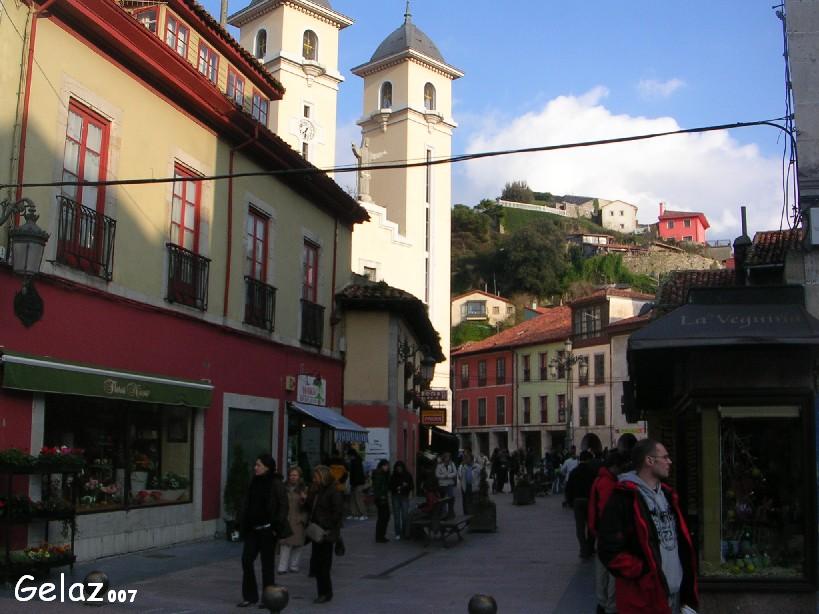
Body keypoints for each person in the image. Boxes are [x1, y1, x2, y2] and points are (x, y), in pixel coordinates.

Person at [598, 439, 699, 614]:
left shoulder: (668, 495)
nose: (670, 462)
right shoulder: (623, 498)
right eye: (665, 457)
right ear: (649, 461)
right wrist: (643, 572)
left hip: (674, 594)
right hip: (643, 597)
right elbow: (608, 549)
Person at [237, 454, 289, 608]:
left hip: (268, 530)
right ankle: (250, 596)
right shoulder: (253, 481)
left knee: (267, 565)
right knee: (246, 560)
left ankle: (268, 598)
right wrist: (240, 521)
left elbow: (283, 505)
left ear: (267, 466)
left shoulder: (275, 483)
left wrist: (276, 527)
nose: (255, 467)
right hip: (252, 530)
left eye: (258, 465)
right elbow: (247, 502)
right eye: (255, 464)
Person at [587, 451, 628, 614]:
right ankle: (610, 606)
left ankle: (602, 603)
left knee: (601, 571)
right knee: (611, 573)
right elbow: (607, 512)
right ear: (615, 466)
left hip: (600, 534)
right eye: (621, 467)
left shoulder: (599, 480)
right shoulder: (608, 483)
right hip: (609, 535)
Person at [306, 465, 343, 605]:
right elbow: (311, 507)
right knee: (317, 563)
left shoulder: (333, 491)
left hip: (326, 532)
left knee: (324, 565)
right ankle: (322, 591)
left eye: (315, 477)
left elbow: (337, 513)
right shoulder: (317, 490)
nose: (313, 479)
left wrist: (327, 526)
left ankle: (325, 593)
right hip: (317, 530)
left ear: (322, 476)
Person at [565, 450, 597, 559]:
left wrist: (569, 501)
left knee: (580, 527)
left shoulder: (574, 472)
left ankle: (583, 550)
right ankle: (590, 548)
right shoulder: (592, 471)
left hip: (577, 501)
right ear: (588, 459)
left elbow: (568, 487)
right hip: (589, 500)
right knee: (591, 525)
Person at [278, 466, 308, 575]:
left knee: (298, 544)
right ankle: (282, 567)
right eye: (291, 475)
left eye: (295, 475)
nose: (292, 477)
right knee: (285, 543)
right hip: (286, 518)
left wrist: (304, 500)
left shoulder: (303, 489)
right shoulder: (284, 487)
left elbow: (307, 506)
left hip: (298, 519)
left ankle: (294, 565)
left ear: (299, 477)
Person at [389, 460, 414, 540]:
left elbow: (411, 486)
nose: (399, 469)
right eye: (397, 468)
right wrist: (397, 487)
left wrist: (405, 486)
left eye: (400, 468)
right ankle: (397, 533)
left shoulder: (407, 475)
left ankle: (404, 532)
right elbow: (390, 486)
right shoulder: (393, 476)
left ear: (403, 468)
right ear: (395, 468)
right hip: (395, 496)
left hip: (404, 496)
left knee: (404, 516)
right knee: (396, 516)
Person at [372, 459, 391, 543]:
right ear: (382, 466)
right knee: (383, 517)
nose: (387, 467)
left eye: (388, 465)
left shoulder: (384, 474)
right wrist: (381, 496)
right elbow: (378, 487)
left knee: (384, 517)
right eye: (386, 465)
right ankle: (380, 536)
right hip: (381, 498)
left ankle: (380, 536)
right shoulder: (379, 474)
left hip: (383, 497)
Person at [346, 446, 367, 520]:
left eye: (348, 455)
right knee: (353, 499)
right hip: (354, 483)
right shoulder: (354, 461)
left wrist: (354, 483)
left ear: (352, 455)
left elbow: (358, 474)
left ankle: (363, 514)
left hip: (358, 483)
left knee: (358, 499)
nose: (347, 457)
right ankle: (355, 514)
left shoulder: (357, 462)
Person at [435, 452, 457, 517]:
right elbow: (437, 474)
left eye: (449, 457)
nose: (448, 458)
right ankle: (444, 513)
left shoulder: (452, 464)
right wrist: (444, 476)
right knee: (443, 499)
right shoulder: (439, 465)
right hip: (442, 484)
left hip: (450, 483)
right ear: (444, 457)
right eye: (446, 457)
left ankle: (451, 512)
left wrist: (448, 476)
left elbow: (455, 472)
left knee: (451, 499)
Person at [457, 451, 480, 515]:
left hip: (474, 487)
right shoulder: (462, 466)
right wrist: (462, 466)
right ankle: (467, 517)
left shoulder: (477, 466)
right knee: (466, 503)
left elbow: (479, 477)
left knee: (474, 502)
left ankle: (474, 516)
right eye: (465, 458)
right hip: (465, 486)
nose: (465, 459)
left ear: (471, 459)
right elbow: (459, 476)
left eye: (467, 458)